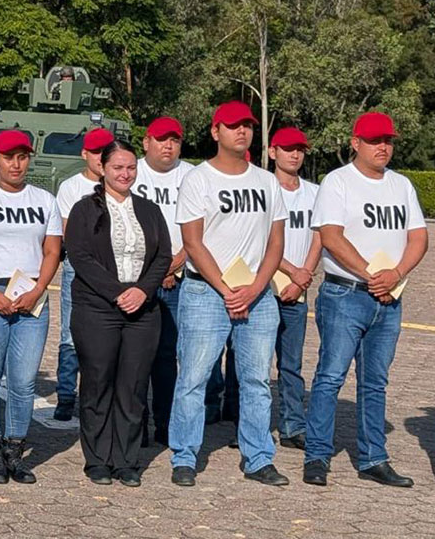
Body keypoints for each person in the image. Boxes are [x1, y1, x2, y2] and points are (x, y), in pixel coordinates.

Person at [303, 112, 428, 487]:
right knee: (330, 377)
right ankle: (317, 456)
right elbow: (330, 235)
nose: (383, 147)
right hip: (345, 294)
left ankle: (373, 458)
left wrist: (397, 273)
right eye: (374, 140)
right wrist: (372, 274)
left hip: (389, 297)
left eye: (388, 140)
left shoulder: (402, 185)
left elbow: (419, 236)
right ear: (355, 143)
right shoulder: (338, 182)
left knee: (375, 382)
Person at [168, 101, 288, 487]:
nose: (243, 132)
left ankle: (257, 458)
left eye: (248, 126)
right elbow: (193, 242)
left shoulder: (267, 181)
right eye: (234, 125)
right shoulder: (198, 179)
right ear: (215, 131)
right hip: (206, 294)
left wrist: (253, 289)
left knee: (255, 381)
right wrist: (225, 288)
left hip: (258, 295)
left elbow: (276, 243)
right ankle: (184, 457)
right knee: (193, 379)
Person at [66, 140, 172, 487]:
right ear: (103, 169)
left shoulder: (149, 209)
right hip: (98, 307)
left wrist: (142, 290)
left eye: (130, 168)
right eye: (117, 168)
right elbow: (80, 257)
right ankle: (97, 458)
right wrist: (117, 292)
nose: (125, 174)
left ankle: (126, 459)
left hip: (142, 308)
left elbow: (162, 257)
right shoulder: (85, 209)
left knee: (133, 386)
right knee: (98, 383)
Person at [0, 129, 61, 485]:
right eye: (9, 157)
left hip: (32, 296)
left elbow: (52, 251)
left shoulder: (44, 200)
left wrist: (37, 291)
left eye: (22, 157)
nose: (16, 164)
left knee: (22, 381)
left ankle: (15, 452)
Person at [131, 116, 194, 446]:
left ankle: (166, 423)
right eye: (160, 139)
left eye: (174, 140)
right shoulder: (131, 172)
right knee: (136, 355)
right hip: (136, 280)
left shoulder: (193, 177)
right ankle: (135, 421)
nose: (168, 145)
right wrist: (154, 273)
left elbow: (202, 230)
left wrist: (171, 267)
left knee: (169, 357)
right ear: (146, 142)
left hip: (180, 278)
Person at [53, 127, 113, 421]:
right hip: (78, 267)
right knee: (70, 332)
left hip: (112, 268)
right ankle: (66, 394)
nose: (102, 157)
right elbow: (68, 232)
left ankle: (97, 395)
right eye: (97, 151)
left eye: (107, 151)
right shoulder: (71, 187)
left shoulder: (120, 183)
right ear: (85, 154)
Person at [267, 127, 321, 451]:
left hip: (298, 291)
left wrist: (303, 276)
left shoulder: (315, 193)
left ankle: (291, 426)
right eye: (288, 149)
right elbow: (258, 239)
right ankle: (246, 425)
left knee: (291, 365)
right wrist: (291, 271)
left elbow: (320, 236)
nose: (295, 154)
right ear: (273, 152)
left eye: (300, 149)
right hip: (263, 288)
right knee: (254, 365)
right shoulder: (261, 189)